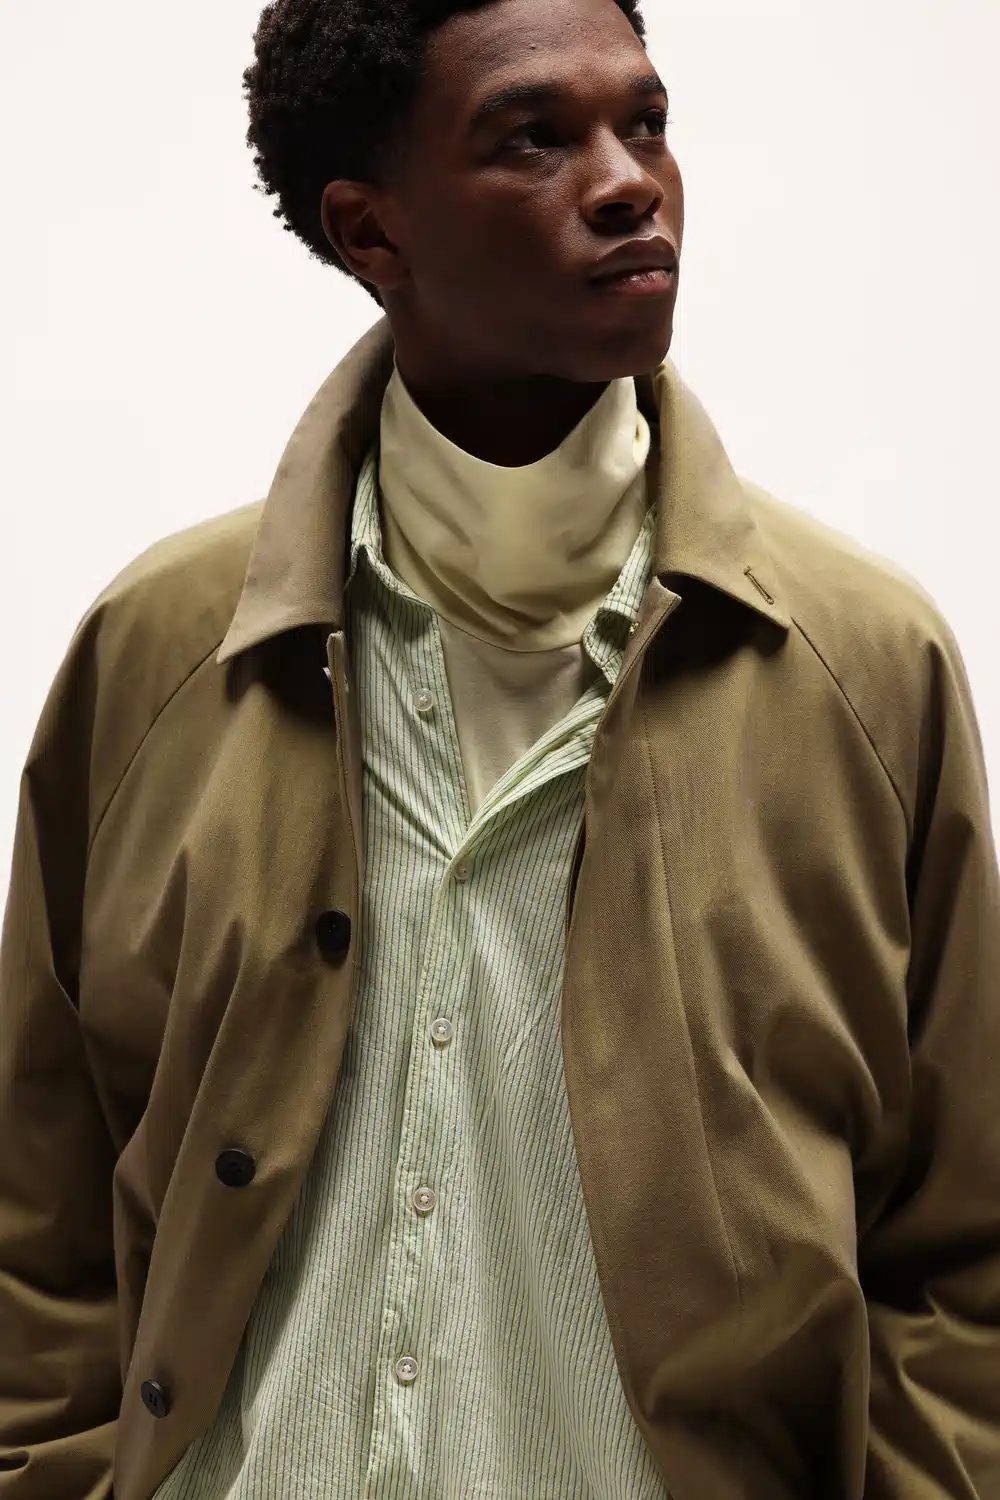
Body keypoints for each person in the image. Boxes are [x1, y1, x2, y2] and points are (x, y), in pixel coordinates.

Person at [1, 0, 998, 1495]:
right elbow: (42, 1214)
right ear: (371, 230)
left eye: (645, 122)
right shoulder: (158, 659)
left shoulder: (862, 669)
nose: (630, 182)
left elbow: (963, 1255)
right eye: (535, 139)